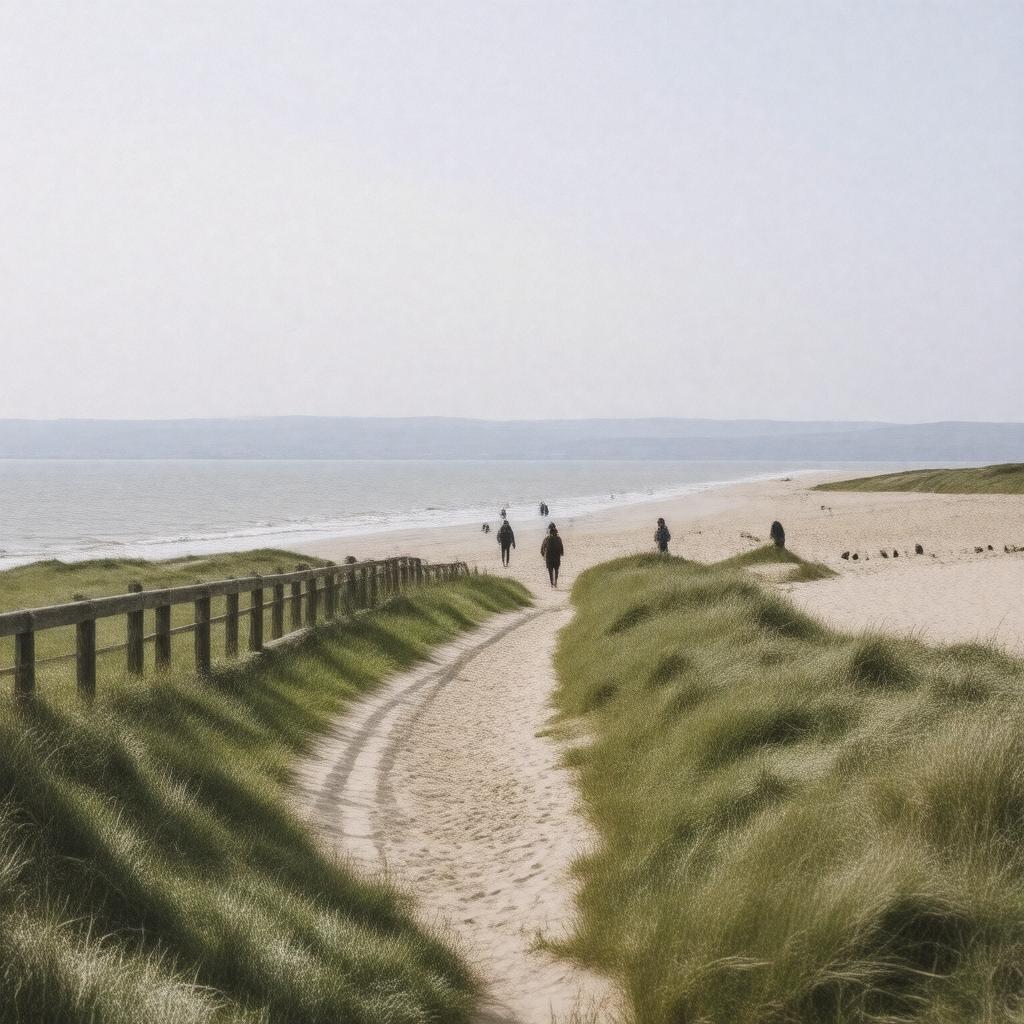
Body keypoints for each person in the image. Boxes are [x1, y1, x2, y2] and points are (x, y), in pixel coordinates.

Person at [540, 522, 564, 587]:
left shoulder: (547, 539)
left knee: (550, 571)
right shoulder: (559, 539)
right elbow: (561, 548)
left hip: (549, 558)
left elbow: (542, 548)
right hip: (556, 557)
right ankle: (555, 581)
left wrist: (543, 555)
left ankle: (551, 584)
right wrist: (561, 553)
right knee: (556, 569)